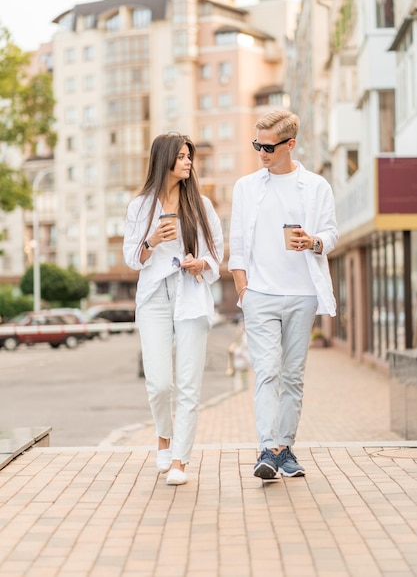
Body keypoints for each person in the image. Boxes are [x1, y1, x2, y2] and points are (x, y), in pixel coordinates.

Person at [228, 110, 338, 480]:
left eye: (269, 146)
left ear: (290, 144)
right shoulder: (245, 187)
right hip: (260, 294)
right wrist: (244, 290)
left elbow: (332, 234)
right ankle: (267, 448)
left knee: (292, 375)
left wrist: (314, 241)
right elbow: (238, 245)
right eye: (257, 144)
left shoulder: (317, 186)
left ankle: (284, 449)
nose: (261, 151)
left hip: (303, 294)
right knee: (266, 372)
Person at [123, 133, 223, 486]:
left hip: (190, 295)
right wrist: (152, 240)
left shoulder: (202, 206)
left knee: (189, 386)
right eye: (181, 156)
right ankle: (163, 439)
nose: (188, 162)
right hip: (154, 298)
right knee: (159, 384)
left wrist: (201, 264)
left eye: (189, 156)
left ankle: (180, 460)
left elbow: (217, 255)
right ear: (163, 159)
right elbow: (131, 259)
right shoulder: (140, 206)